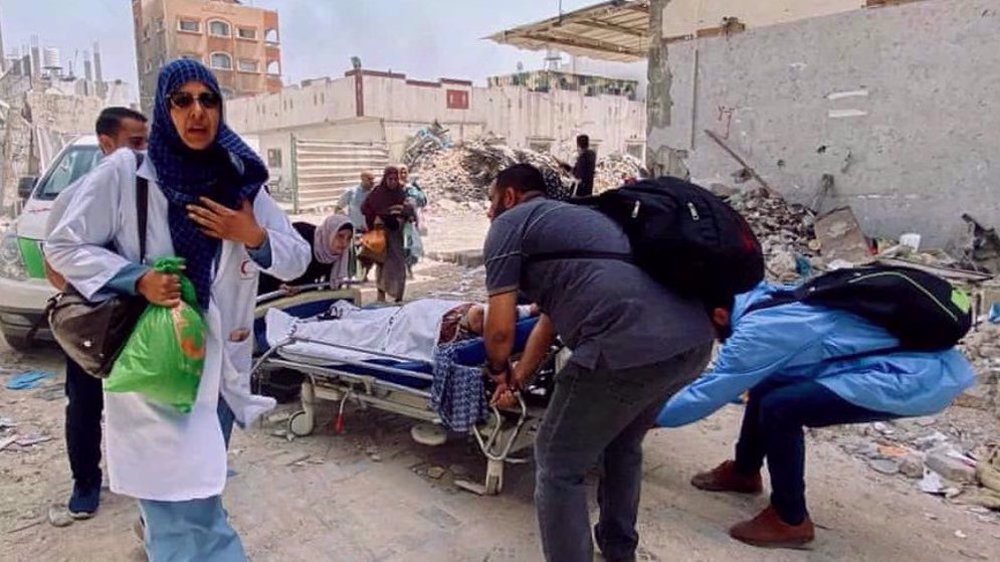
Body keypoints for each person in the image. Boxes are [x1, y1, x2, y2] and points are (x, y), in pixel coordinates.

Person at [45, 59, 311, 561]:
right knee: (196, 522)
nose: (196, 112)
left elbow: (297, 259)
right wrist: (137, 278)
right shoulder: (128, 172)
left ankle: (156, 533)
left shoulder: (239, 179)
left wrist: (249, 234)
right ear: (164, 110)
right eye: (182, 101)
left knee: (193, 495)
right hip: (156, 370)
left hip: (219, 373)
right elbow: (63, 245)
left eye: (207, 100)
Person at [481, 163, 715, 562]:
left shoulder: (510, 224)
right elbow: (548, 322)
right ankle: (619, 548)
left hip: (623, 348)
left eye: (490, 200)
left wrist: (498, 372)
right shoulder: (584, 219)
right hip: (693, 340)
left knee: (556, 465)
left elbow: (500, 331)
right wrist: (519, 378)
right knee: (622, 443)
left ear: (509, 196)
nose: (488, 211)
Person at [657, 281, 976, 549]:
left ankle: (790, 518)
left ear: (720, 314)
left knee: (782, 407)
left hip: (909, 379)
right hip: (906, 364)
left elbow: (711, 391)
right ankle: (744, 472)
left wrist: (642, 417)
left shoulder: (756, 331)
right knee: (769, 382)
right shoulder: (765, 297)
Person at [42, 106, 149, 520]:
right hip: (95, 320)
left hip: (140, 318)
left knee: (144, 399)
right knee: (85, 404)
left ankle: (146, 481)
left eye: (146, 142)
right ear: (108, 145)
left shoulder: (147, 191)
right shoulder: (75, 197)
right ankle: (85, 482)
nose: (144, 152)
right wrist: (100, 294)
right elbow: (57, 262)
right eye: (135, 143)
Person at [258, 215, 354, 295]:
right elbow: (273, 258)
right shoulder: (302, 237)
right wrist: (279, 286)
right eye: (340, 236)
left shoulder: (338, 254)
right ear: (330, 233)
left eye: (349, 238)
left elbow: (328, 286)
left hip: (301, 294)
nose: (344, 243)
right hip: (269, 287)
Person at [361, 166, 413, 303]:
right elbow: (365, 208)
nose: (393, 182)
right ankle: (381, 294)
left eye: (396, 179)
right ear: (385, 178)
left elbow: (408, 212)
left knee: (398, 264)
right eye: (390, 179)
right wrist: (380, 217)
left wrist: (403, 213)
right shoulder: (378, 192)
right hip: (381, 233)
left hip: (396, 234)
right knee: (381, 263)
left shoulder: (400, 193)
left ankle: (398, 295)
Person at [336, 170, 375, 282]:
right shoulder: (351, 192)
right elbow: (338, 207)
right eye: (370, 179)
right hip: (355, 229)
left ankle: (364, 274)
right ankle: (352, 275)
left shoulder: (375, 194)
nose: (372, 182)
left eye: (373, 179)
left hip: (370, 229)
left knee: (370, 254)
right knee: (353, 254)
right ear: (362, 179)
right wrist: (344, 221)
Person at [399, 164, 428, 279]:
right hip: (395, 224)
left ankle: (409, 268)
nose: (402, 175)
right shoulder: (389, 189)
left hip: (409, 223)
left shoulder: (412, 188)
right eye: (400, 172)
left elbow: (422, 201)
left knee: (410, 247)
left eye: (404, 172)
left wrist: (415, 190)